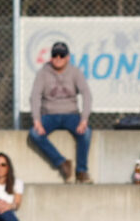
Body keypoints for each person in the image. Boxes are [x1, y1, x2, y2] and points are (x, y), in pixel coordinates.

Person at [28, 41, 93, 182]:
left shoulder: (75, 72)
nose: (58, 58)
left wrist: (84, 119)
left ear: (67, 57)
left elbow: (86, 94)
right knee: (34, 134)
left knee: (86, 133)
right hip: (49, 115)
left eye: (62, 55)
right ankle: (62, 162)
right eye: (55, 55)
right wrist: (37, 120)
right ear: (51, 57)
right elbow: (35, 96)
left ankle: (81, 171)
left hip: (71, 115)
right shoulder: (43, 73)